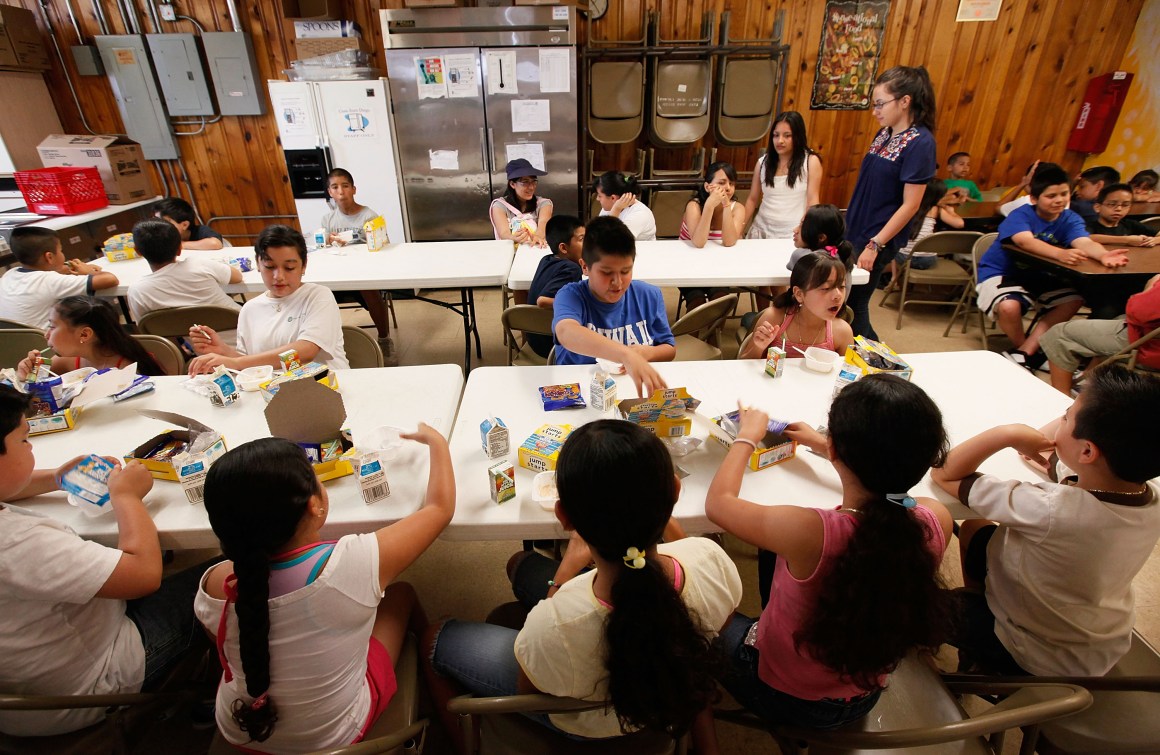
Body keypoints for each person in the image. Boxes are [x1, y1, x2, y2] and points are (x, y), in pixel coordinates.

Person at [424, 420, 741, 752]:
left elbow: (531, 688)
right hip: (663, 691)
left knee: (434, 638)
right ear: (675, 492)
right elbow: (712, 631)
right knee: (520, 564)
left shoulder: (555, 623)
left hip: (591, 726)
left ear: (563, 517)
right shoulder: (712, 559)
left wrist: (563, 572)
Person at [705, 375, 953, 729]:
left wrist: (747, 436)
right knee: (774, 554)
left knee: (699, 623)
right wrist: (830, 447)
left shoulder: (809, 532)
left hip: (788, 697)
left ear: (836, 448)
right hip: (864, 692)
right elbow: (897, 497)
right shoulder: (935, 519)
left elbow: (719, 504)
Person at [194, 428, 454, 752]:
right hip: (334, 735)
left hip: (243, 731)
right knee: (400, 594)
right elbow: (439, 509)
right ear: (314, 505)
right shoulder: (347, 565)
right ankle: (431, 669)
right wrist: (438, 443)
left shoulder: (214, 584)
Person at [0, 385, 206, 736]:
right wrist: (127, 497)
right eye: (23, 440)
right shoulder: (17, 542)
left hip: (27, 688)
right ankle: (212, 695)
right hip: (86, 689)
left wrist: (56, 477)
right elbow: (143, 576)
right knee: (222, 572)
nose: (31, 446)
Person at [931, 365, 1160, 676]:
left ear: (1089, 451)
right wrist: (1067, 436)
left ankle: (982, 654)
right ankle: (981, 616)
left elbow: (945, 473)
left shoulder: (1050, 508)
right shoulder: (1144, 491)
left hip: (1033, 649)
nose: (1060, 420)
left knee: (913, 607)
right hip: (1093, 639)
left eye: (1066, 416)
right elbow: (1056, 460)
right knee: (975, 528)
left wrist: (1008, 433)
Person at [975, 163, 1128, 371]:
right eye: (1051, 196)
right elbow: (1024, 241)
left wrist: (1103, 255)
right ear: (1034, 199)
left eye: (1064, 194)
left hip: (1040, 275)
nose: (1059, 200)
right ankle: (1022, 349)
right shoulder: (1020, 215)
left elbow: (1083, 241)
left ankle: (1024, 352)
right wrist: (1060, 253)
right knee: (1009, 306)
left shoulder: (1070, 218)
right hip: (1000, 272)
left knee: (1072, 300)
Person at [843, 66, 938, 339]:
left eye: (881, 104)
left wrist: (876, 243)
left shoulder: (921, 143)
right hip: (857, 230)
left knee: (856, 304)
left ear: (905, 101)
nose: (876, 111)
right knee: (846, 300)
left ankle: (882, 366)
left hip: (878, 236)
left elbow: (910, 205)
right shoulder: (884, 134)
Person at [187, 225, 349, 374]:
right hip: (274, 390)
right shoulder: (250, 309)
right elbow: (250, 363)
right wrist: (224, 351)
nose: (279, 276)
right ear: (258, 264)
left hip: (325, 385)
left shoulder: (318, 296)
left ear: (303, 266)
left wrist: (236, 363)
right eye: (270, 267)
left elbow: (306, 352)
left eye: (289, 268)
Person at [552, 216, 675, 396]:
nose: (617, 282)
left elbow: (669, 349)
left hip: (629, 391)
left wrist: (645, 352)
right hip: (580, 392)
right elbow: (566, 332)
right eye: (606, 272)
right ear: (585, 267)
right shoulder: (570, 295)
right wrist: (626, 354)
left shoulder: (648, 295)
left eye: (626, 271)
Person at [320, 168, 395, 360]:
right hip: (339, 270)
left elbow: (383, 243)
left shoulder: (368, 215)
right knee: (318, 293)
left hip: (365, 270)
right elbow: (322, 248)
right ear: (329, 192)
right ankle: (327, 342)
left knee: (369, 290)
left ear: (354, 189)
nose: (341, 191)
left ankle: (384, 337)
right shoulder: (327, 219)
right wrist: (327, 241)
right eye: (335, 187)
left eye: (345, 186)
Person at [1041, 274, 1160, 395]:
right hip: (1152, 340)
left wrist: (1152, 286)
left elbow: (1137, 312)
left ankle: (1061, 399)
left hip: (1149, 348)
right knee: (1115, 317)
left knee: (1059, 334)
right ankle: (1090, 382)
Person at [16, 295, 165, 379]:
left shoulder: (126, 370)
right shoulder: (71, 360)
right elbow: (31, 382)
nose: (46, 334)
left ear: (84, 334)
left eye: (52, 327)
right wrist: (27, 372)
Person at [738, 252, 854, 360]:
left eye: (841, 287)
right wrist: (759, 347)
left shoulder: (842, 332)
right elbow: (743, 364)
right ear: (799, 294)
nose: (838, 296)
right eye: (826, 288)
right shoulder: (775, 319)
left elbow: (848, 375)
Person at [0, 226, 117, 330]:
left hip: (16, 348)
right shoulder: (50, 280)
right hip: (48, 348)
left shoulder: (9, 275)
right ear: (49, 257)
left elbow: (50, 272)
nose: (62, 254)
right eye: (61, 250)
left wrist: (70, 267)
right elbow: (110, 279)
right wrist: (88, 272)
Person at [126, 219, 242, 322]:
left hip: (198, 343)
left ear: (138, 251)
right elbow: (237, 277)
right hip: (245, 331)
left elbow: (149, 330)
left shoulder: (137, 291)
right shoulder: (199, 264)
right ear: (179, 249)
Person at [743, 111, 822, 240]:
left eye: (787, 136)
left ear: (797, 136)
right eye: (776, 135)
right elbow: (752, 199)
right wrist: (738, 229)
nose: (780, 141)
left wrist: (804, 233)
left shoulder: (811, 161)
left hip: (792, 233)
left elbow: (812, 202)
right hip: (761, 230)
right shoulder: (762, 163)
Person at [680, 161, 747, 309]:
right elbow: (699, 242)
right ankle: (696, 332)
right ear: (707, 186)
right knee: (697, 300)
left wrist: (726, 206)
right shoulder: (694, 206)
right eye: (722, 183)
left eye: (732, 183)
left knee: (721, 299)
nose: (728, 188)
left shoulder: (738, 208)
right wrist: (710, 205)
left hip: (720, 269)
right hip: (689, 268)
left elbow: (729, 241)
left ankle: (714, 333)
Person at [526, 215, 584, 358]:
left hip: (534, 337)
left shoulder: (547, 259)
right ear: (563, 248)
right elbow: (543, 301)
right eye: (582, 239)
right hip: (551, 345)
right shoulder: (572, 269)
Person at [887, 179, 966, 280]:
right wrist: (952, 212)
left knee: (894, 244)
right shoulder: (935, 210)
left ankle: (894, 278)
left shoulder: (909, 208)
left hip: (904, 258)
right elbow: (960, 224)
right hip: (928, 260)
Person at [491, 158, 553, 248]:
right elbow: (504, 233)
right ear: (512, 184)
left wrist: (537, 237)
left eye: (534, 181)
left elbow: (544, 223)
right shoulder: (499, 206)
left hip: (536, 250)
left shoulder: (544, 204)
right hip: (511, 254)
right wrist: (513, 237)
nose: (531, 187)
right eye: (525, 182)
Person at [1084, 182, 1160, 247]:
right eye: (1112, 204)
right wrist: (1127, 240)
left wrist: (1154, 240)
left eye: (1125, 205)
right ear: (1097, 207)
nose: (1119, 209)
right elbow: (1086, 238)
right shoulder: (1089, 226)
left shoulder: (1130, 224)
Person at [786, 203, 855, 273]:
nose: (795, 230)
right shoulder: (843, 256)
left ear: (821, 237)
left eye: (802, 226)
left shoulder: (802, 256)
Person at [593, 171, 656, 241]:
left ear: (613, 198)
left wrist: (616, 210)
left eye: (599, 196)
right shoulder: (607, 208)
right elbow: (598, 236)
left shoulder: (640, 214)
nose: (597, 199)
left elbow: (612, 242)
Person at [154, 197, 224, 251]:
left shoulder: (201, 231)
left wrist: (182, 245)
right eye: (156, 220)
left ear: (184, 225)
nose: (159, 225)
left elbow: (215, 243)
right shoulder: (160, 235)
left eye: (165, 222)